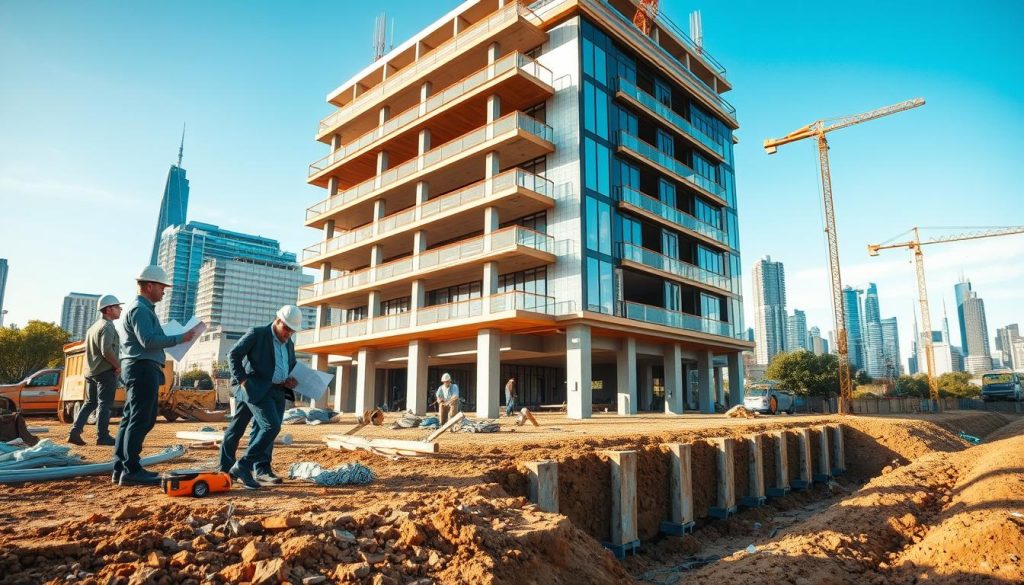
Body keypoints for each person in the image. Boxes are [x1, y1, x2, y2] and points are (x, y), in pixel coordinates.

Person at [114, 266, 199, 486]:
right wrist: (181, 338)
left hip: (137, 366)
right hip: (141, 367)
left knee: (131, 418)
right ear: (149, 286)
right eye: (162, 287)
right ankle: (131, 469)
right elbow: (148, 341)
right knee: (142, 418)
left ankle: (121, 468)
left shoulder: (140, 309)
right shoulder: (140, 310)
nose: (164, 292)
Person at [219, 305, 301, 490]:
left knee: (264, 429)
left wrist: (288, 379)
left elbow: (289, 364)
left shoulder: (289, 342)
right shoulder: (257, 333)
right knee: (261, 426)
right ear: (277, 320)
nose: (289, 334)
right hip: (252, 388)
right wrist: (242, 380)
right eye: (287, 328)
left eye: (292, 331)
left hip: (277, 390)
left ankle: (262, 469)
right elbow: (233, 355)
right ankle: (231, 468)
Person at [68, 295, 123, 447]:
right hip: (105, 372)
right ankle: (102, 437)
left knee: (90, 403)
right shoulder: (107, 326)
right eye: (118, 307)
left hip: (91, 372)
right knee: (105, 404)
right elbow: (106, 350)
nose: (120, 309)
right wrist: (117, 365)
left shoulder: (93, 327)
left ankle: (74, 432)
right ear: (108, 309)